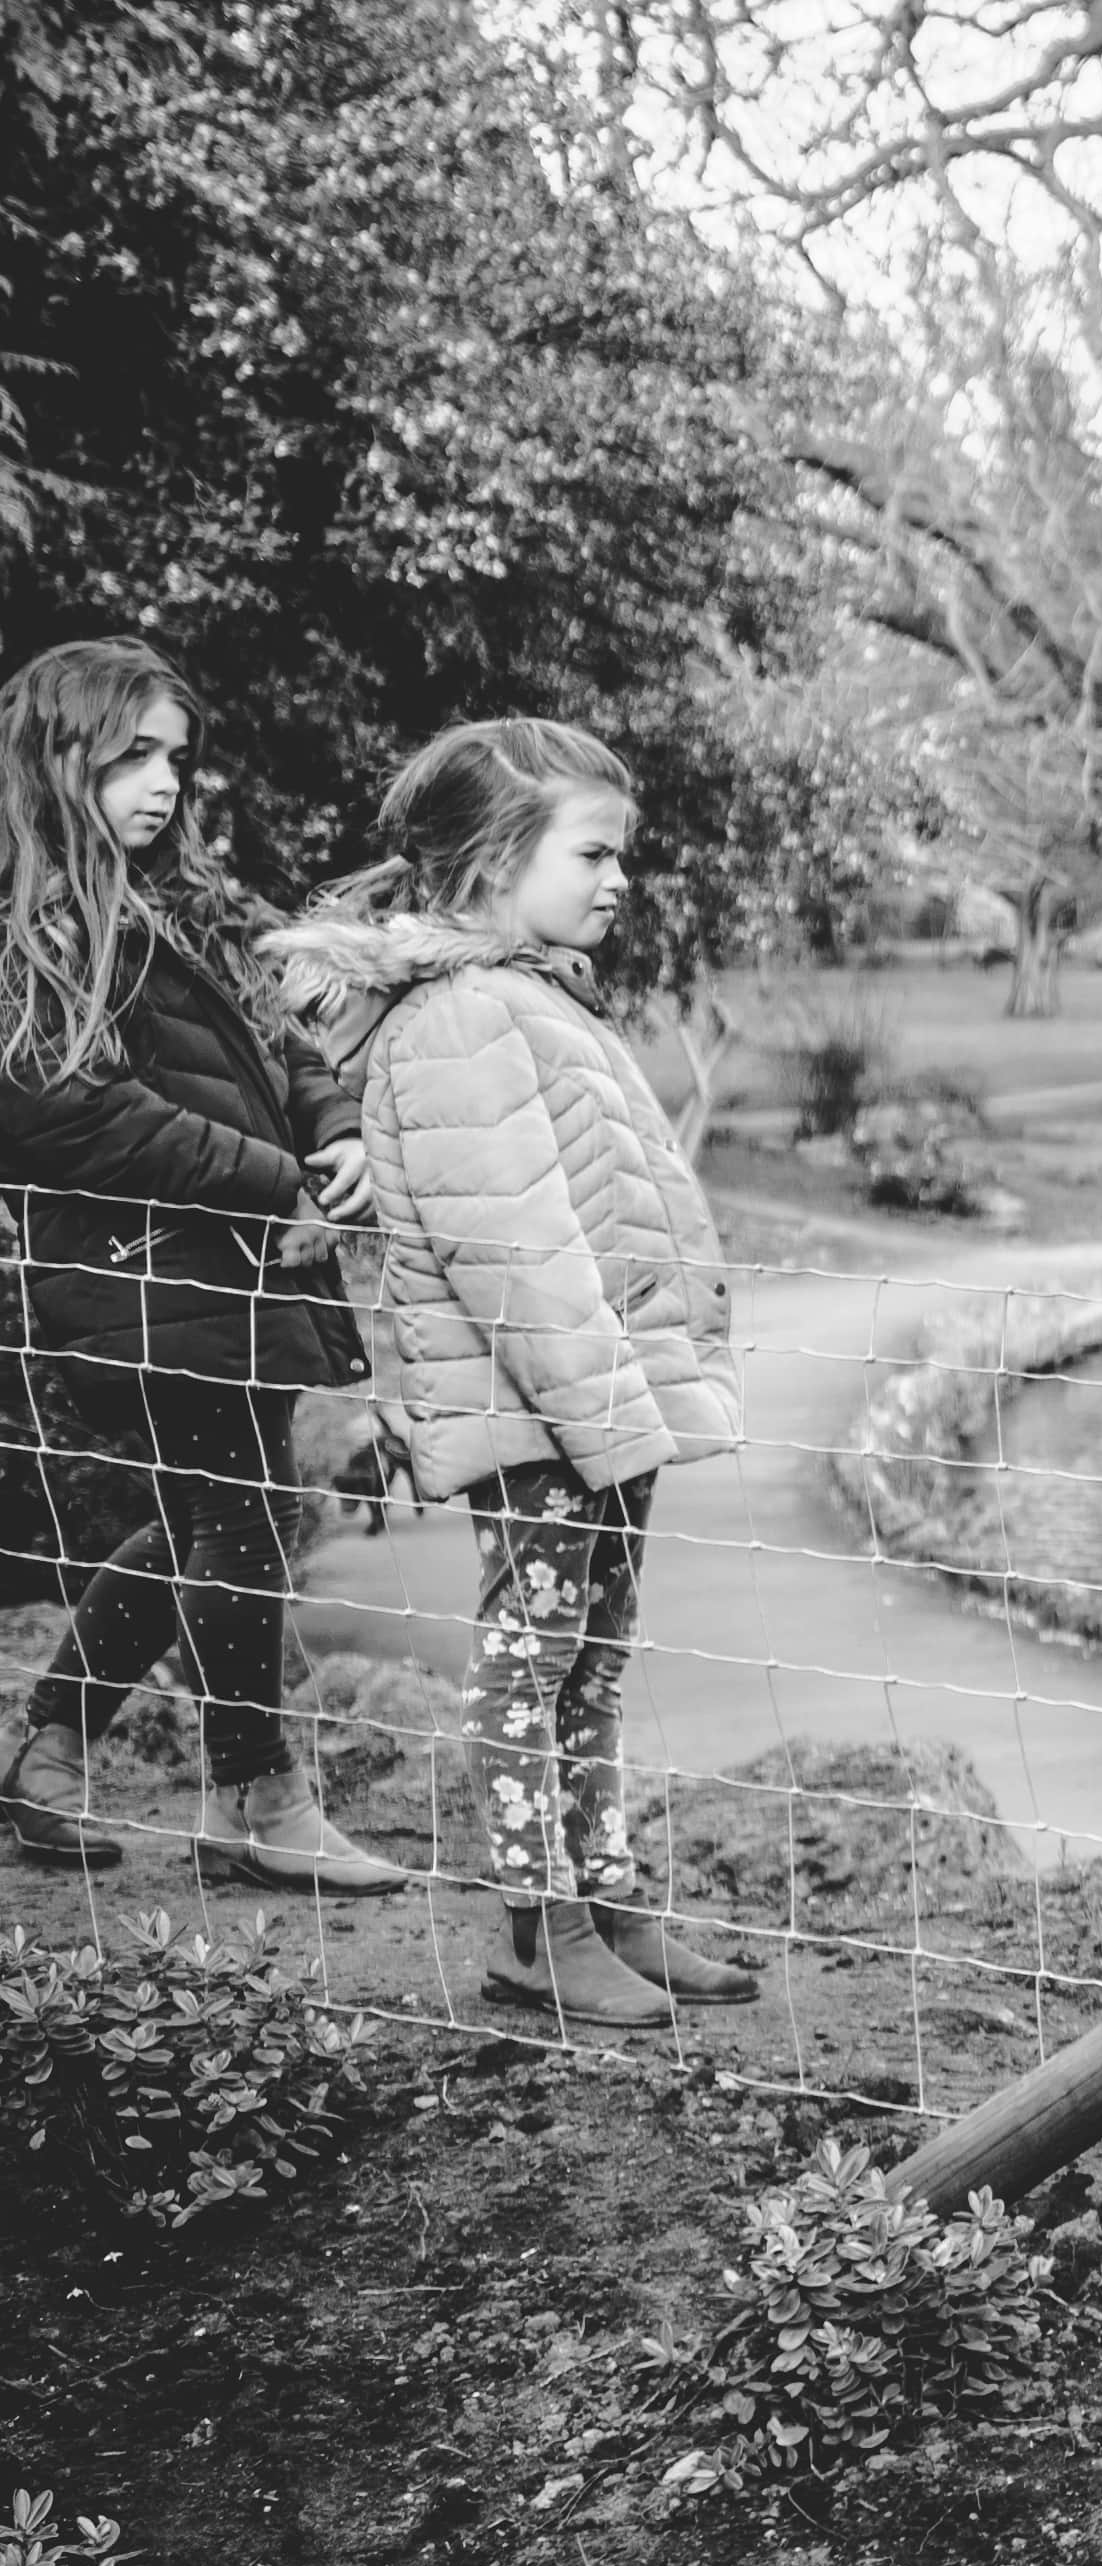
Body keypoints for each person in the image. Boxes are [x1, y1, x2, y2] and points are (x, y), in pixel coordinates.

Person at [272, 723, 755, 2033]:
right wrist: (608, 1416)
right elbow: (516, 1254)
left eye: (620, 855)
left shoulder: (536, 993)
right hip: (544, 1417)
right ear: (490, 863)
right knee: (530, 1663)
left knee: (592, 1660)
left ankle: (615, 1908)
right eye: (592, 852)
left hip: (599, 1409)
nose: (618, 880)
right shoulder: (467, 1018)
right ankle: (537, 1932)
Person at [0, 638, 406, 1892]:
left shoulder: (189, 899)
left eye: (178, 756)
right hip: (130, 1274)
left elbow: (290, 1043)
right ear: (57, 759)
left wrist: (333, 1131)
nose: (166, 782)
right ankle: (255, 1800)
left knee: (208, 1520)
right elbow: (72, 1112)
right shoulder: (30, 927)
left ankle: (54, 1749)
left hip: (227, 1270)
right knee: (238, 1519)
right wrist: (276, 1176)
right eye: (133, 756)